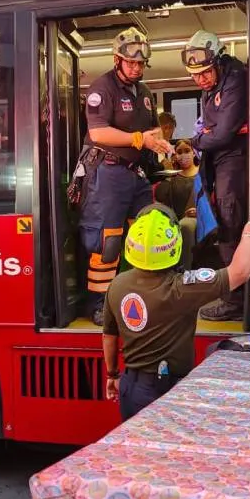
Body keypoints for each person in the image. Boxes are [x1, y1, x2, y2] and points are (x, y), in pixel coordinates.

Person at [102, 204, 250, 420]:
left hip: (130, 388)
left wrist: (112, 374)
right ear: (174, 246)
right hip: (164, 391)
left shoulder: (117, 284)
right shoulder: (181, 288)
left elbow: (109, 336)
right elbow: (240, 272)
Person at [78, 28, 174, 326]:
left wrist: (160, 143)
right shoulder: (101, 88)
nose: (136, 68)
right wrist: (138, 140)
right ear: (117, 60)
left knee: (148, 231)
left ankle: (144, 296)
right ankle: (100, 304)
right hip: (107, 172)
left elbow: (152, 130)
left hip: (136, 174)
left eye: (141, 64)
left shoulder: (144, 93)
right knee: (108, 242)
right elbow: (98, 132)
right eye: (130, 63)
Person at [181, 30, 250, 322]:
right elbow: (213, 130)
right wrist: (206, 136)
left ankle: (235, 303)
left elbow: (221, 134)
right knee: (224, 228)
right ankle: (232, 297)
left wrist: (196, 141)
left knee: (230, 231)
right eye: (195, 75)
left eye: (205, 73)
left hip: (233, 162)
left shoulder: (234, 78)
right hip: (220, 163)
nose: (201, 80)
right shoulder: (214, 85)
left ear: (218, 61)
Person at [153, 139, 200, 268]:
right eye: (179, 152)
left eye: (187, 151)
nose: (183, 155)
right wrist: (169, 173)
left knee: (186, 225)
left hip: (198, 218)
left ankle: (184, 270)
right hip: (173, 218)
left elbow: (213, 199)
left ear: (194, 153)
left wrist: (200, 212)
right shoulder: (172, 176)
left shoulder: (203, 174)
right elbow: (160, 196)